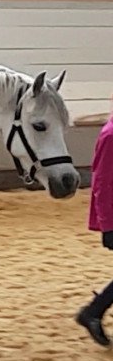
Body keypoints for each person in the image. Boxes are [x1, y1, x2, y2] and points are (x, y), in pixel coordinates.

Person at [76, 113, 113, 346]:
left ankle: (93, 312)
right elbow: (101, 182)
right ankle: (93, 312)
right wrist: (108, 225)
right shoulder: (111, 136)